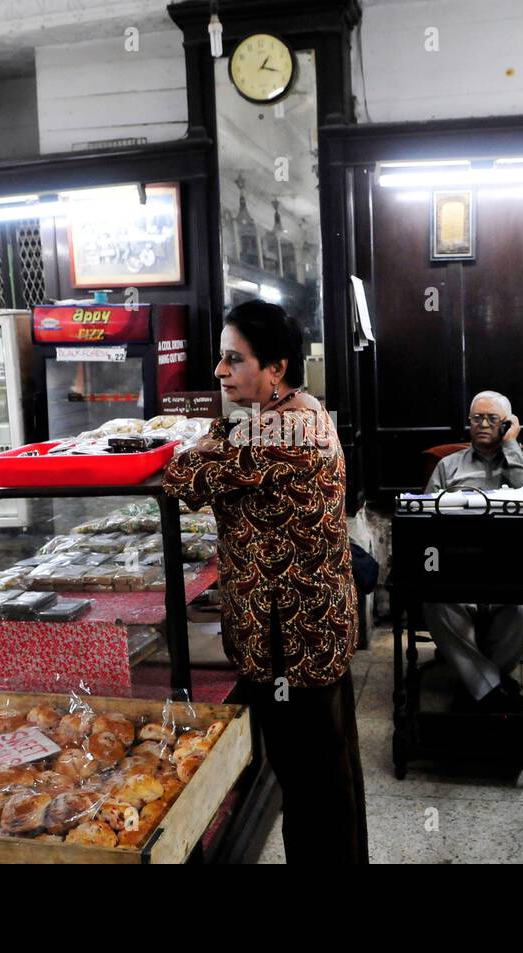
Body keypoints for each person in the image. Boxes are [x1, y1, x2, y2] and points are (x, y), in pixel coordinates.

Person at [162, 300, 367, 864]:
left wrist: (207, 440)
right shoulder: (299, 411)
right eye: (221, 359)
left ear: (275, 368)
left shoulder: (276, 433)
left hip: (289, 635)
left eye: (235, 360)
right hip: (313, 626)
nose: (220, 372)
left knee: (308, 779)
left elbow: (183, 477)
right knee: (327, 769)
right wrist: (218, 431)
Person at [422, 390, 523, 712]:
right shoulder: (448, 466)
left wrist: (511, 446)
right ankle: (493, 690)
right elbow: (424, 518)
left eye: (492, 419)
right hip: (456, 566)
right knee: (435, 604)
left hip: (508, 566)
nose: (482, 424)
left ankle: (477, 685)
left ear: (507, 424)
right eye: (476, 418)